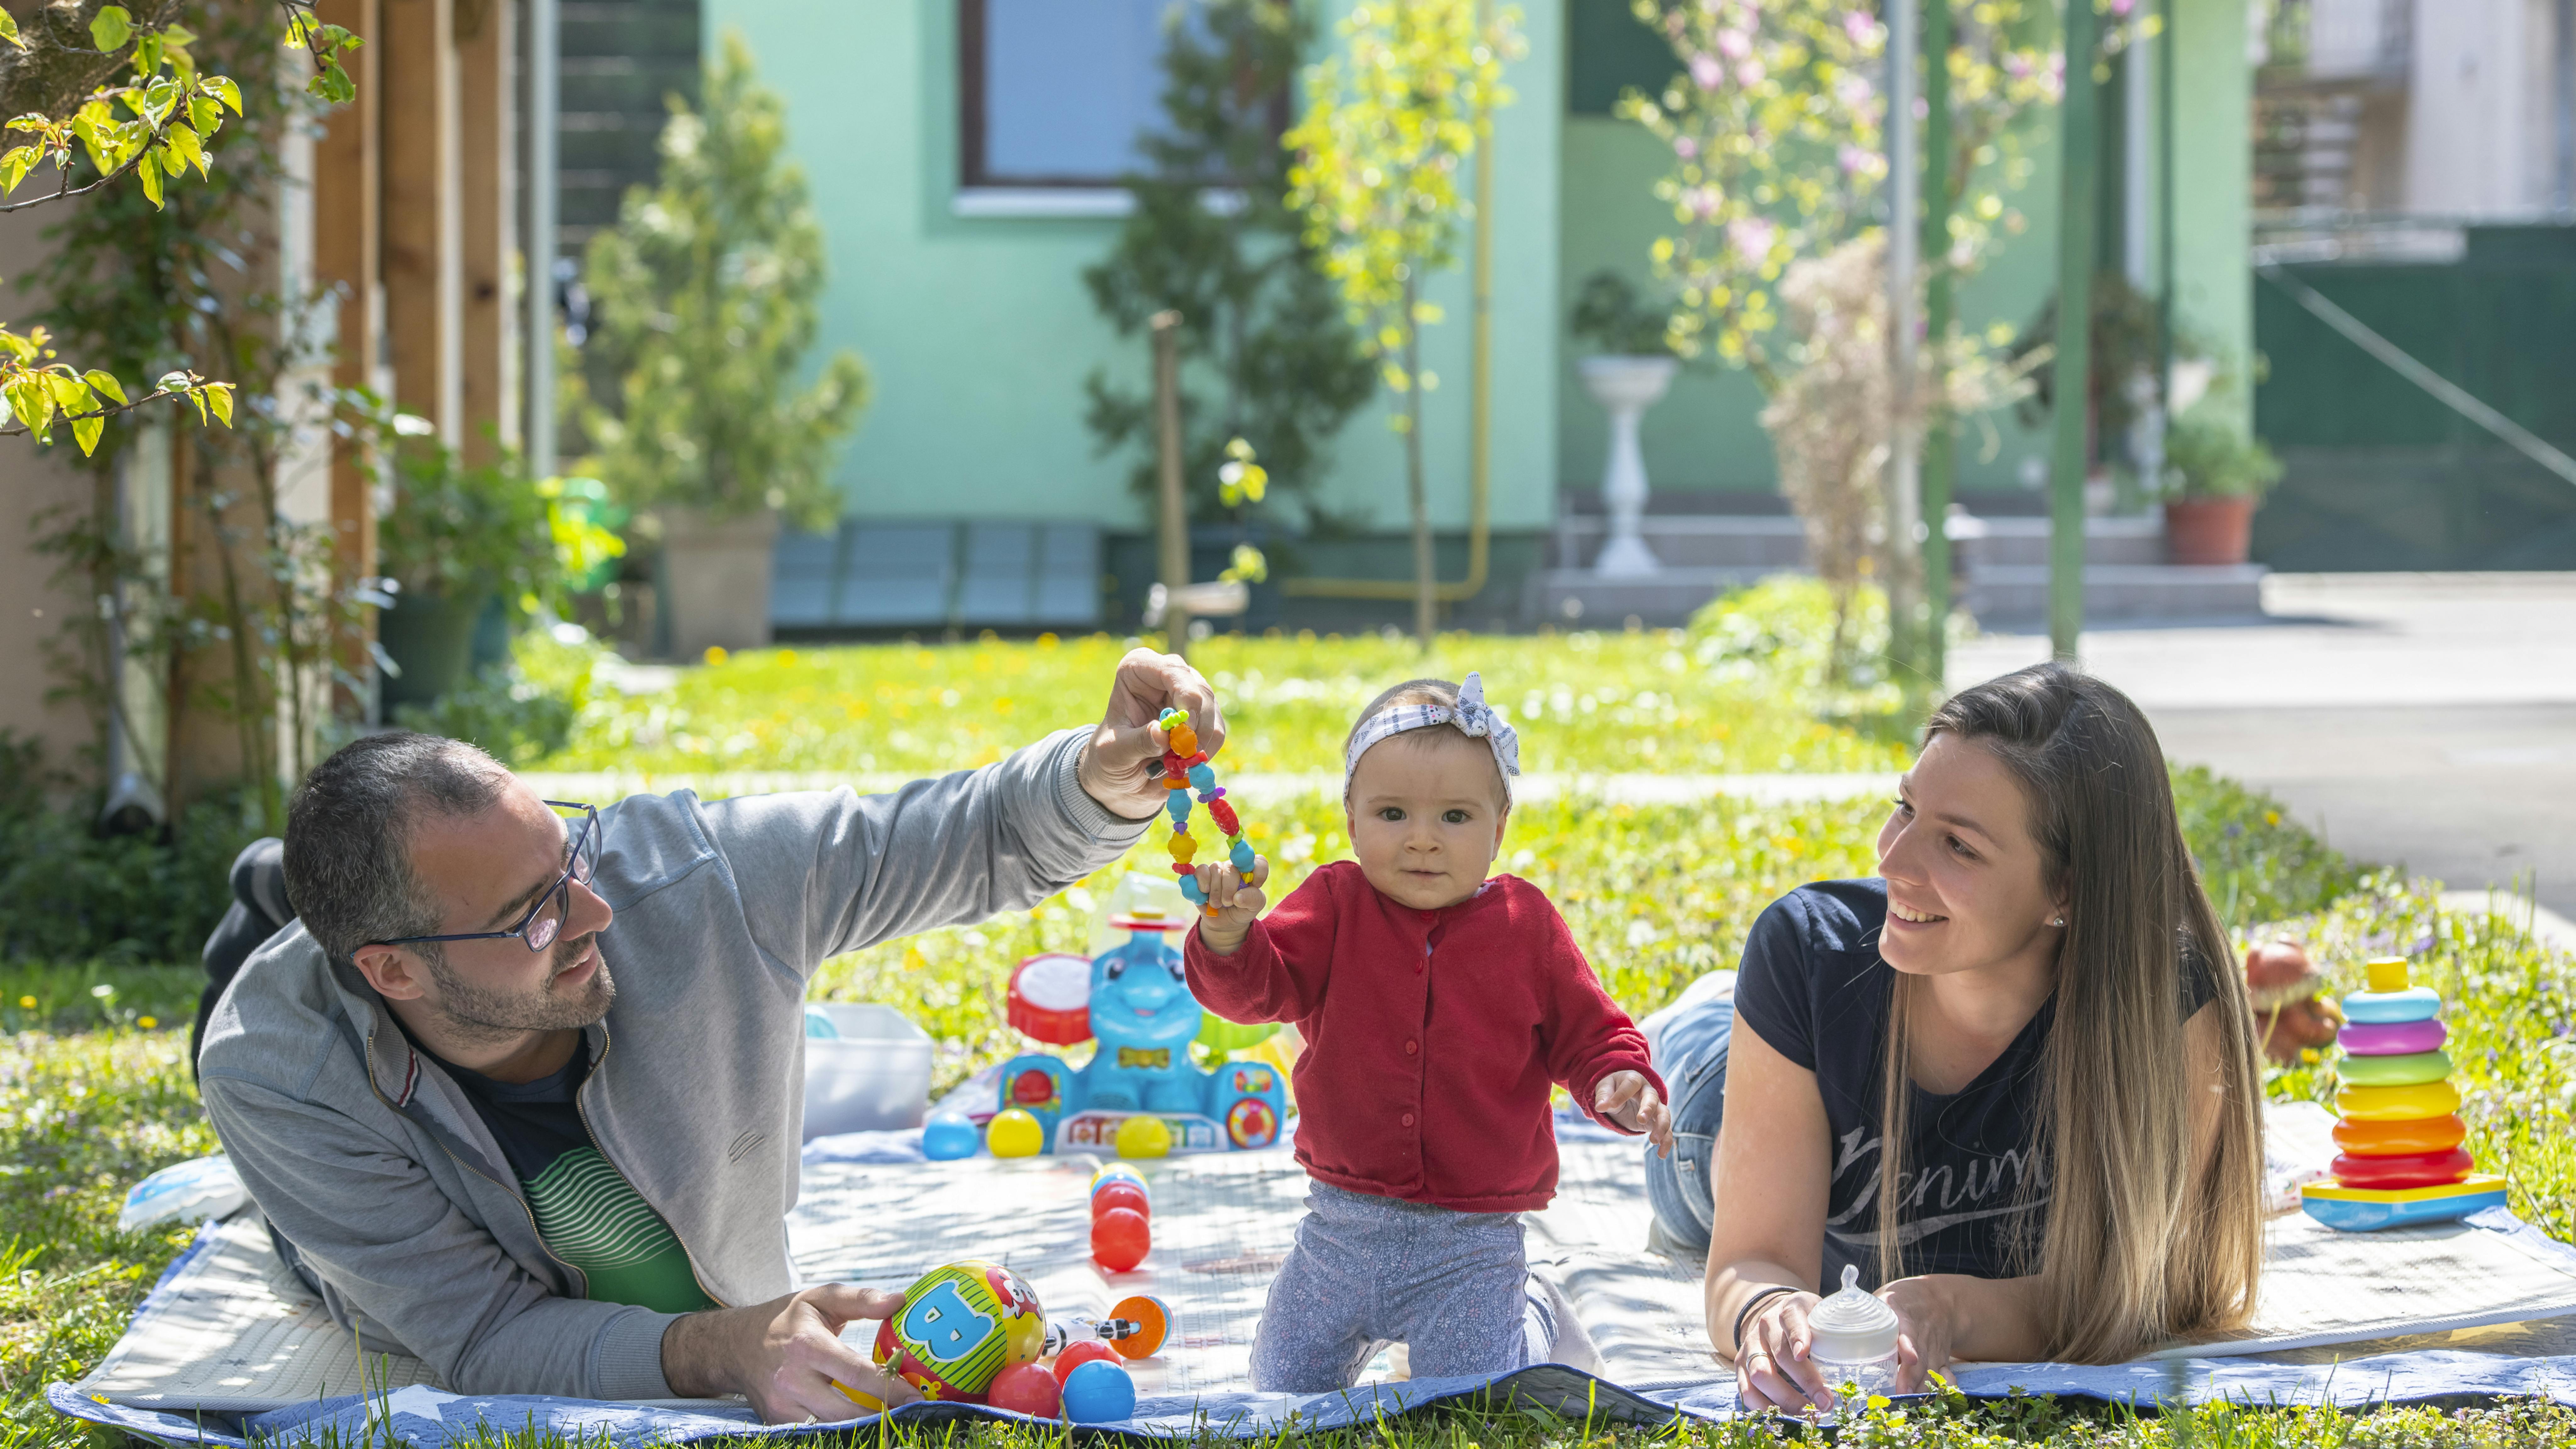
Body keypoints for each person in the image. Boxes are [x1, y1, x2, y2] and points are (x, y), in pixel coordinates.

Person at [196, 648, 1215, 1423]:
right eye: (533, 914)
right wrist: (720, 1348)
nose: (595, 913)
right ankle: (264, 895)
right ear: (394, 970)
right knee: (302, 1242)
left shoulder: (684, 876)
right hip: (342, 1122)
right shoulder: (277, 1071)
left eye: (568, 856)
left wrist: (1099, 777)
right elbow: (483, 1333)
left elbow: (964, 831)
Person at [1638, 663, 2266, 1409]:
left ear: (2067, 888)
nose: (1891, 860)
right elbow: (1753, 1260)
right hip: (1712, 1109)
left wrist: (1950, 1308)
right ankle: (1701, 1011)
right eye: (1904, 809)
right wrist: (1766, 1313)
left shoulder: (2163, 1009)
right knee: (1685, 1115)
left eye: (1959, 847)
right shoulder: (1805, 957)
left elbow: (2145, 1294)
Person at [1185, 674, 1675, 1391]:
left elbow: (1589, 1032)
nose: (1421, 840)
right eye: (1391, 813)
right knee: (1280, 1392)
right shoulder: (1334, 903)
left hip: (1470, 1246)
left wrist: (1616, 1081)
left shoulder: (1525, 926)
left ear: (1497, 829)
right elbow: (1261, 988)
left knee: (1475, 1400)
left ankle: (1529, 1312)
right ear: (1352, 821)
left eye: (1454, 817)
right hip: (1339, 1236)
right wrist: (1228, 938)